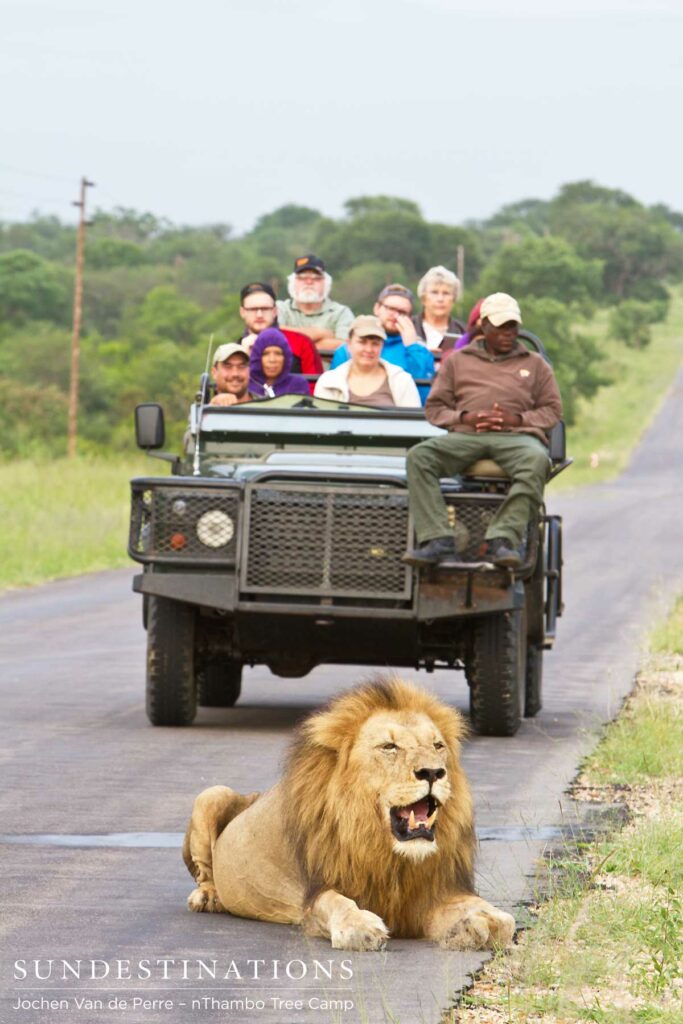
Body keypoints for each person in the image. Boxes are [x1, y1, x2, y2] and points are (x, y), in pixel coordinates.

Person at [403, 293, 563, 569]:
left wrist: (517, 420)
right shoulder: (458, 361)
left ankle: (503, 538)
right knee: (419, 457)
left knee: (537, 461)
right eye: (501, 326)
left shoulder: (535, 363)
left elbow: (552, 411)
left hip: (517, 438)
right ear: (483, 326)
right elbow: (435, 409)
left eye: (513, 326)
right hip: (467, 435)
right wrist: (466, 417)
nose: (508, 333)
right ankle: (438, 538)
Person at [331, 284, 434, 402]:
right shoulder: (348, 349)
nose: (395, 315)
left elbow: (421, 397)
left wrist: (412, 346)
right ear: (377, 308)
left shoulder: (420, 351)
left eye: (403, 312)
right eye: (390, 308)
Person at [314, 315, 421, 407]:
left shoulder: (402, 380)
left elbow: (412, 426)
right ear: (349, 344)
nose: (369, 349)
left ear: (382, 346)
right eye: (362, 342)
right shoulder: (328, 381)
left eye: (375, 343)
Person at [238, 282, 323, 383]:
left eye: (265, 309)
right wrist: (244, 359)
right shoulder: (234, 350)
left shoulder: (301, 343)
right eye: (253, 309)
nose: (259, 314)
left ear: (275, 311)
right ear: (242, 312)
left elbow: (316, 388)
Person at [276, 255, 354, 352]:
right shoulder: (280, 308)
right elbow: (274, 339)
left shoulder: (341, 313)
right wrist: (321, 333)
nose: (309, 282)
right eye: (302, 278)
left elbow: (346, 348)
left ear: (326, 283)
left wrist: (294, 343)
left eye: (316, 278)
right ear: (292, 283)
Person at [411, 266, 465, 353]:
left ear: (454, 299)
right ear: (423, 298)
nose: (440, 299)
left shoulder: (463, 332)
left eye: (446, 293)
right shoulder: (409, 327)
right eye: (434, 292)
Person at [248, 328, 310, 398]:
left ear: (286, 357)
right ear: (257, 357)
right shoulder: (246, 384)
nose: (272, 360)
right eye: (266, 353)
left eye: (278, 353)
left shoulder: (298, 384)